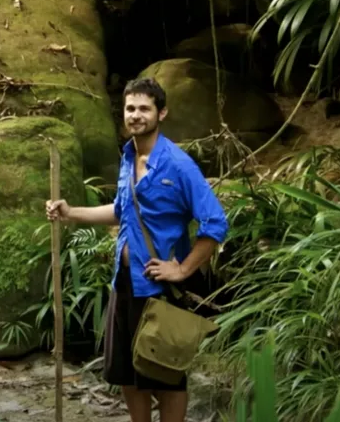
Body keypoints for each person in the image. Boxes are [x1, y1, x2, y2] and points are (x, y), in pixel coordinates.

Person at [45, 77, 228, 422]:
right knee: (128, 373)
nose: (136, 115)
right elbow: (120, 210)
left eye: (144, 108)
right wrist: (71, 213)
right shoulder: (129, 157)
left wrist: (183, 269)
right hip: (124, 282)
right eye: (130, 108)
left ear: (162, 113)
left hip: (160, 289)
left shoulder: (178, 164)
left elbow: (215, 223)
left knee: (165, 375)